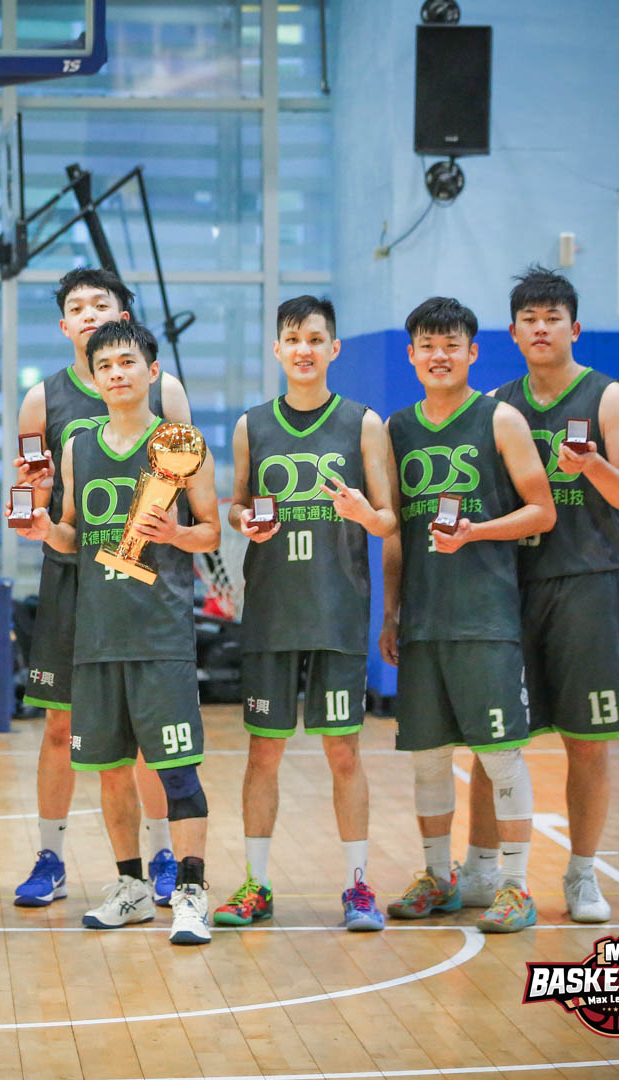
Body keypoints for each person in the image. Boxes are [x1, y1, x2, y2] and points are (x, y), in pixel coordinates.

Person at [11, 320, 220, 945]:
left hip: (160, 636)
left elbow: (211, 530)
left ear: (152, 372)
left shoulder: (180, 442)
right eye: (105, 366)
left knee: (176, 771)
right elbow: (72, 534)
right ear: (94, 377)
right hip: (95, 636)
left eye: (127, 362)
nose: (116, 373)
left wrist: (177, 534)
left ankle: (192, 892)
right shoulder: (77, 447)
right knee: (109, 770)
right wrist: (44, 529)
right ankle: (130, 886)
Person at [461, 266, 619, 923]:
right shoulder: (496, 405)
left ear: (575, 328)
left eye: (553, 319)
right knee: (494, 739)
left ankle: (582, 874)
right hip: (510, 585)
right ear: (513, 333)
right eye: (530, 320)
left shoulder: (610, 399)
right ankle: (481, 868)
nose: (541, 329)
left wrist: (594, 465)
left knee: (587, 741)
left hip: (586, 584)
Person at [218, 296, 398, 932]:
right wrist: (245, 520)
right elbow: (235, 505)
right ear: (277, 349)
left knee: (343, 753)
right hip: (272, 612)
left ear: (333, 349)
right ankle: (256, 885)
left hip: (336, 610)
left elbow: (389, 519)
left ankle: (357, 886)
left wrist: (364, 514)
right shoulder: (251, 426)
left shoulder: (364, 423)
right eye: (293, 339)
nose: (304, 349)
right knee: (263, 753)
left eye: (316, 339)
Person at [380, 297, 556, 934]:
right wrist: (391, 612)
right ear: (412, 355)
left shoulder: (500, 419)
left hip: (485, 617)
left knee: (501, 756)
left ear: (473, 352)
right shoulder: (397, 428)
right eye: (428, 346)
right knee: (427, 758)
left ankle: (514, 887)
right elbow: (395, 532)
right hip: (423, 620)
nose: (440, 356)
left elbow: (542, 510)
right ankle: (438, 876)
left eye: (451, 345)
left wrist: (477, 532)